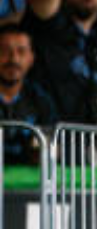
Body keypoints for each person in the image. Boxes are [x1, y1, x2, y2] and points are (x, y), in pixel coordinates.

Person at [0, 24, 57, 165]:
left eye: (21, 51)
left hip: (29, 186)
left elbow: (48, 154)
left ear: (31, 58)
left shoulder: (42, 101)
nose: (13, 59)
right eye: (5, 51)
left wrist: (44, 153)